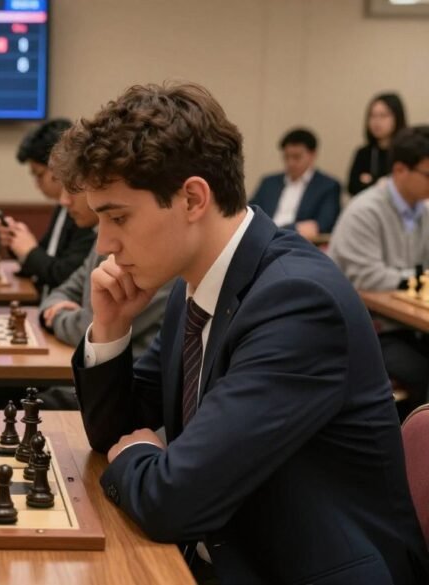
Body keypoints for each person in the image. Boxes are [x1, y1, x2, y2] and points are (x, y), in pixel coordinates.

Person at [50, 82, 428, 584]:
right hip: (221, 558)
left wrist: (138, 454)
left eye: (117, 216)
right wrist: (111, 327)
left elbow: (173, 500)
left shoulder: (297, 302)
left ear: (192, 198)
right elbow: (114, 431)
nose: (105, 244)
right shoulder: (195, 286)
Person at [329, 126, 429, 418]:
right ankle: (411, 451)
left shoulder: (421, 211)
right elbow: (368, 278)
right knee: (421, 370)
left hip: (405, 326)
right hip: (364, 328)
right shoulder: (365, 211)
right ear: (400, 170)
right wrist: (418, 278)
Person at [40, 187, 170, 352]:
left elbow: (88, 328)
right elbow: (61, 293)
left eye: (118, 218)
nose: (101, 246)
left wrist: (57, 317)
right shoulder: (104, 241)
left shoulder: (165, 265)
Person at [0, 119, 95, 293]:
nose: (36, 184)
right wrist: (17, 244)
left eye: (39, 175)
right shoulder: (63, 207)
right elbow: (44, 261)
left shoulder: (87, 213)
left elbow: (64, 275)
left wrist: (30, 251)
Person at [249, 127, 341, 240]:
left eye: (296, 157)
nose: (290, 163)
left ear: (312, 155)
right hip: (262, 240)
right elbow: (250, 215)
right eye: (286, 157)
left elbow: (323, 225)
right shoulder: (268, 183)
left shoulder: (328, 186)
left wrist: (276, 231)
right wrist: (292, 228)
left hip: (298, 244)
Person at [348, 92, 407, 196]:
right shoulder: (363, 153)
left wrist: (371, 181)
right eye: (372, 116)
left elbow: (406, 187)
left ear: (397, 118)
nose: (376, 121)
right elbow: (352, 187)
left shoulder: (407, 152)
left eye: (383, 116)